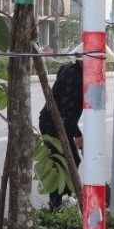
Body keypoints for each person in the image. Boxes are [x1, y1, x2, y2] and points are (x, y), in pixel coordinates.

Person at [39, 59, 84, 211]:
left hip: (58, 122)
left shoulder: (71, 68)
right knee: (61, 164)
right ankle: (57, 204)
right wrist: (77, 135)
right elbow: (65, 110)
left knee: (70, 161)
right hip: (53, 124)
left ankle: (63, 199)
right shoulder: (74, 76)